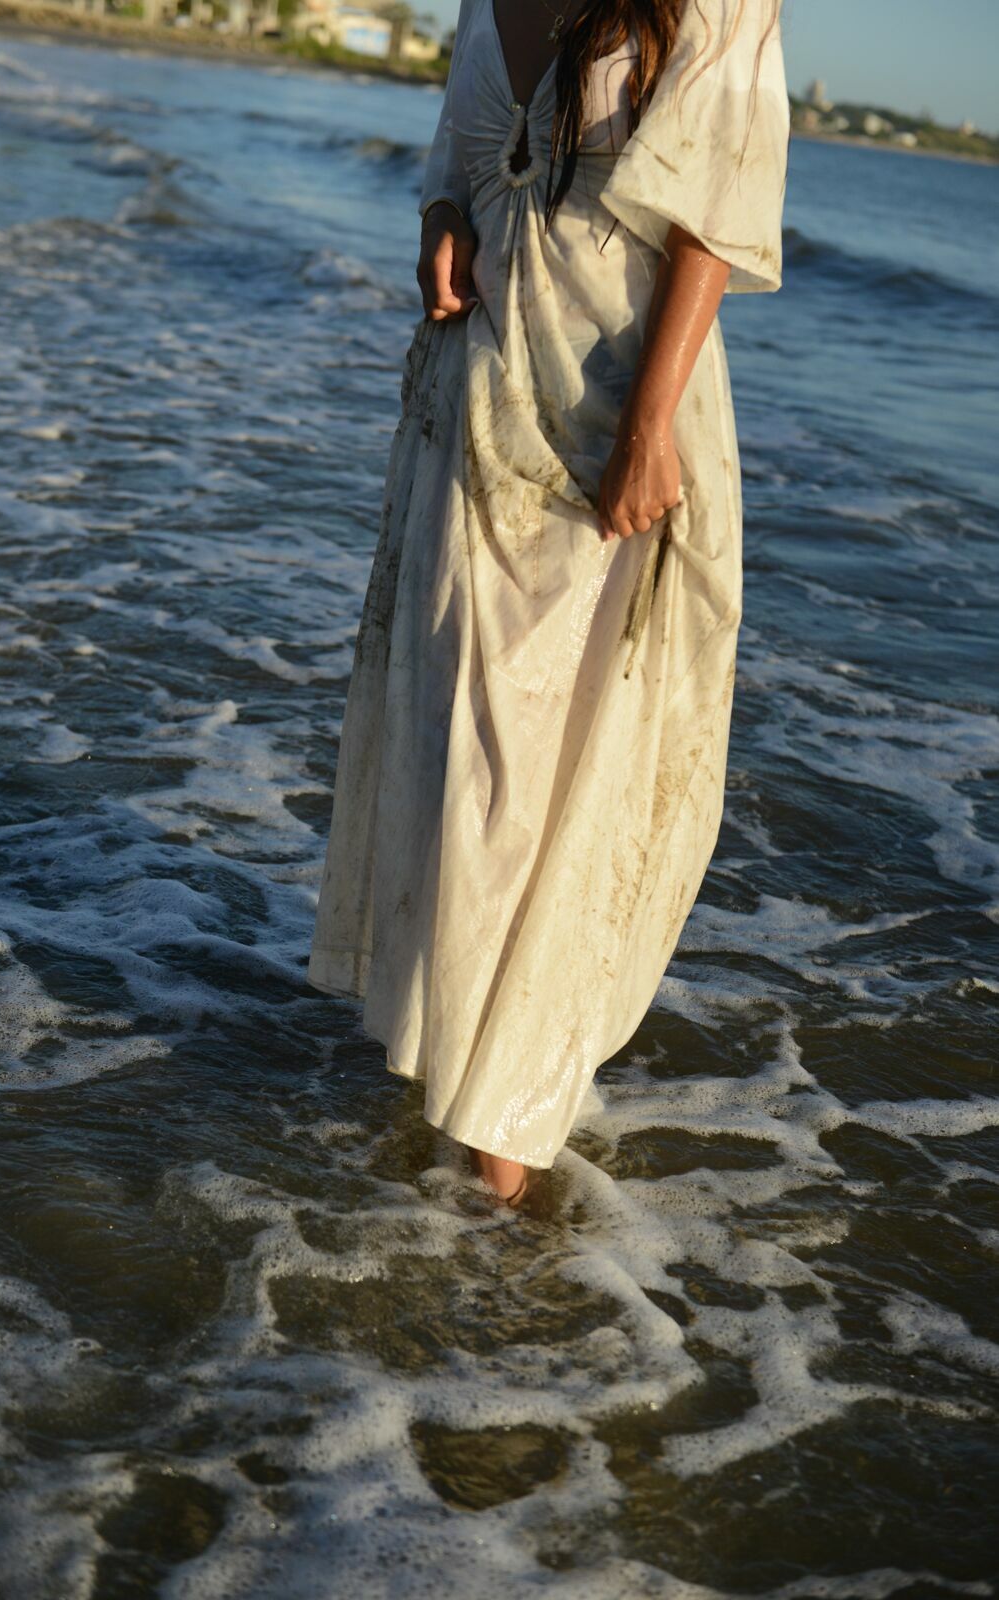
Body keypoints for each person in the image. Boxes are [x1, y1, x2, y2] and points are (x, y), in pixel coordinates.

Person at [307, 0, 789, 1208]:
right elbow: (460, 158)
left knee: (561, 784)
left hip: (618, 430)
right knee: (466, 767)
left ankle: (500, 1156)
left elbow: (711, 217)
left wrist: (647, 430)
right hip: (476, 412)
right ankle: (477, 1143)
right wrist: (440, 223)